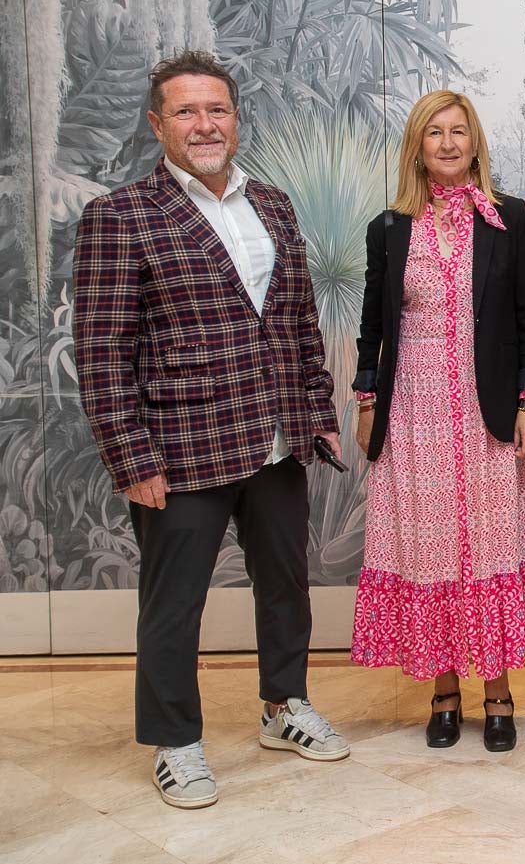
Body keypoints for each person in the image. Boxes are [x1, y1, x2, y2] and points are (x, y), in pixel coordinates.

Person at [74, 50, 349, 810]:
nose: (205, 124)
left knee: (285, 584)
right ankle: (176, 742)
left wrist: (316, 414)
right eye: (187, 111)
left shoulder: (274, 205)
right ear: (157, 124)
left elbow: (297, 322)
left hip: (275, 440)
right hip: (179, 449)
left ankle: (284, 706)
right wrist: (131, 458)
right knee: (175, 602)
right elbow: (101, 351)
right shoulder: (121, 215)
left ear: (235, 119)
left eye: (217, 109)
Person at [349, 89, 525, 753]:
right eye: (433, 131)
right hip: (413, 413)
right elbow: (372, 327)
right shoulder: (389, 227)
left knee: (489, 548)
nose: (447, 142)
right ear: (418, 146)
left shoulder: (509, 218)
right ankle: (443, 693)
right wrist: (366, 401)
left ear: (475, 142)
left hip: (486, 411)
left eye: (458, 130)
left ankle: (497, 694)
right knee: (429, 548)